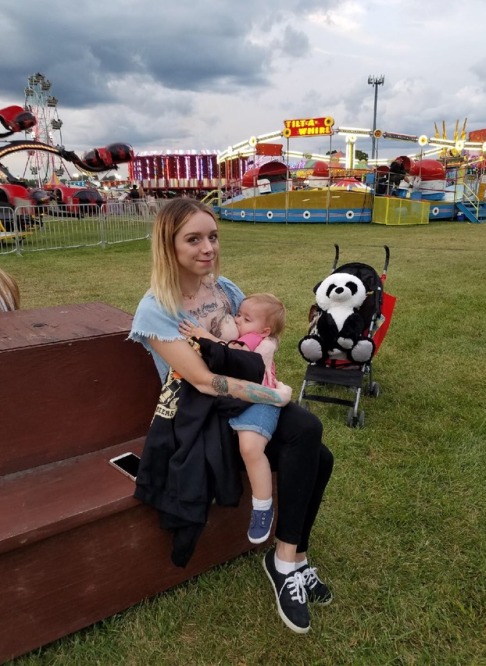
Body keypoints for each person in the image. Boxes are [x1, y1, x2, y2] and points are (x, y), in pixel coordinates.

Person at [129, 198, 334, 634]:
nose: (209, 248)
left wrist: (267, 379)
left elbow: (254, 342)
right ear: (168, 245)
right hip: (201, 416)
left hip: (241, 404)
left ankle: (291, 556)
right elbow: (203, 381)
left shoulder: (225, 289)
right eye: (194, 239)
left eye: (213, 236)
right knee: (307, 430)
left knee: (321, 455)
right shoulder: (157, 309)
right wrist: (273, 395)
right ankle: (285, 563)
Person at [179, 292, 286, 545]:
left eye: (246, 318)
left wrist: (202, 335)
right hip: (245, 400)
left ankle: (262, 507)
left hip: (260, 401)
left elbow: (230, 354)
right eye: (238, 314)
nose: (238, 321)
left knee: (250, 449)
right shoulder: (256, 336)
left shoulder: (255, 340)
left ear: (265, 329)